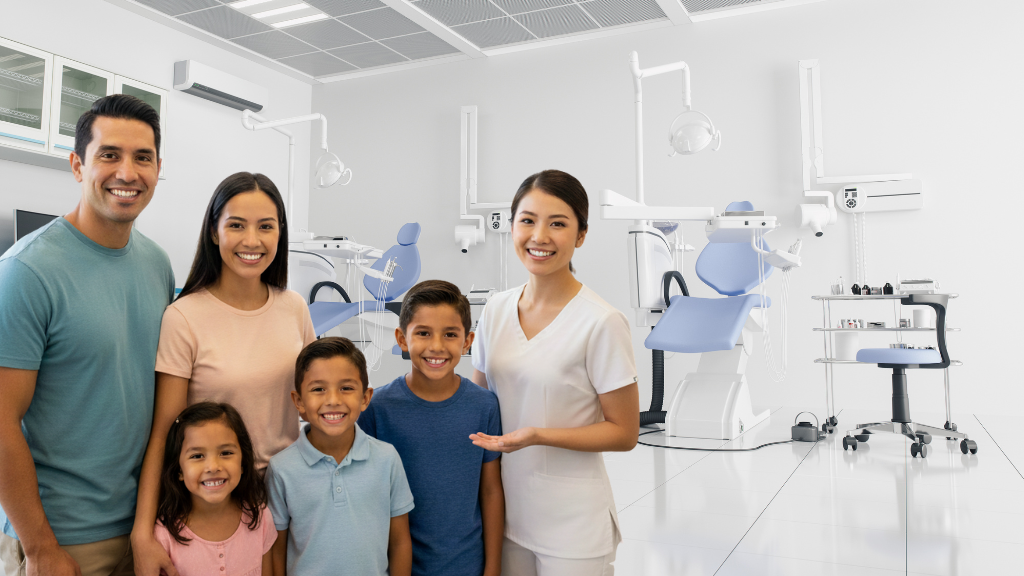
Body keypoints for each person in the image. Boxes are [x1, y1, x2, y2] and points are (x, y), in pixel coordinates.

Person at [0, 94, 173, 576]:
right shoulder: (27, 272)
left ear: (159, 168)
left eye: (143, 158)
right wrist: (39, 548)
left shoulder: (156, 264)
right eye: (109, 155)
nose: (127, 172)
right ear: (78, 166)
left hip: (143, 528)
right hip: (62, 539)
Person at [131, 172, 315, 576]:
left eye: (266, 226)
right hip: (218, 499)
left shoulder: (294, 308)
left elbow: (314, 405)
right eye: (236, 225)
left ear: (280, 234)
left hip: (292, 494)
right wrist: (142, 534)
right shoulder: (184, 317)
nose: (252, 240)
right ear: (214, 233)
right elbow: (163, 431)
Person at [469, 170, 640, 575]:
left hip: (573, 523)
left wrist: (537, 435)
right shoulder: (495, 309)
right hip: (505, 512)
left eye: (558, 223)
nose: (539, 236)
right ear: (512, 226)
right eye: (527, 220)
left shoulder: (602, 322)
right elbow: (477, 403)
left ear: (580, 235)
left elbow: (625, 432)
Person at [359, 280, 504, 576]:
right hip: (397, 567)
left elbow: (490, 491)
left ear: (467, 342)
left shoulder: (484, 406)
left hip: (468, 565)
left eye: (450, 335)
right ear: (401, 339)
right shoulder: (377, 408)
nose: (436, 346)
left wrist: (493, 567)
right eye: (423, 333)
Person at [267, 337, 414, 576]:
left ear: (365, 397)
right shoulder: (281, 469)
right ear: (299, 401)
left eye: (346, 388)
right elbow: (276, 551)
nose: (333, 400)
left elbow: (399, 543)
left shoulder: (387, 459)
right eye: (318, 389)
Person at [154, 402, 276, 576]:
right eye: (197, 456)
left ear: (243, 462)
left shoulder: (261, 518)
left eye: (225, 453)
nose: (212, 467)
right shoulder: (163, 535)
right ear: (179, 470)